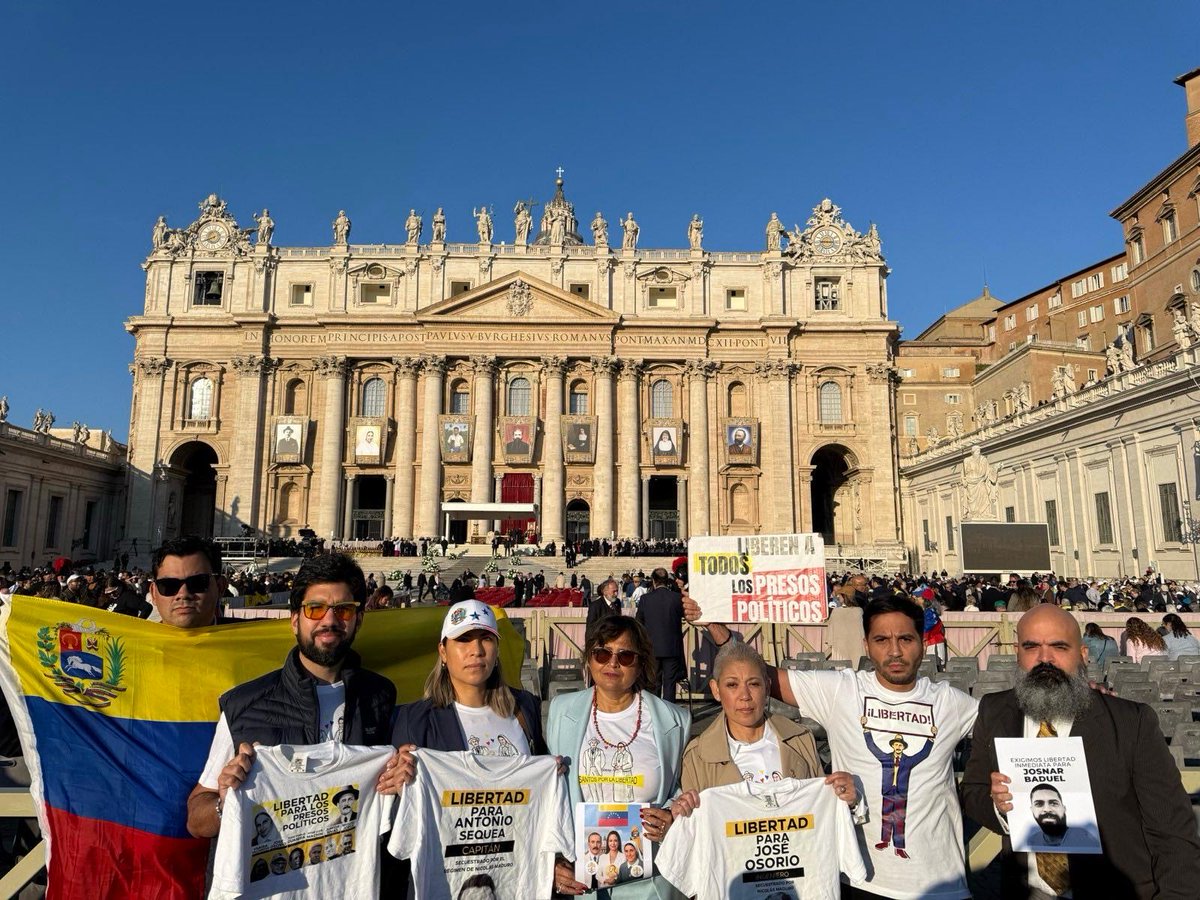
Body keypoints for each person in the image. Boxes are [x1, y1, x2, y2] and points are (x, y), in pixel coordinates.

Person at [685, 594, 977, 900]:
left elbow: (1008, 729)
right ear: (866, 645)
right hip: (860, 881)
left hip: (941, 884)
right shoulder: (842, 690)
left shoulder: (951, 703)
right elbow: (759, 675)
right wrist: (719, 632)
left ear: (924, 642)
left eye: (905, 639)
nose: (894, 650)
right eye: (881, 639)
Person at [961, 603, 1200, 898]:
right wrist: (999, 808)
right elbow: (973, 791)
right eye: (1031, 646)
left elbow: (1172, 830)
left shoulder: (1131, 722)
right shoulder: (994, 711)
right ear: (1017, 651)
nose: (1044, 659)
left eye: (1059, 647)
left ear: (1083, 654)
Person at [186, 553, 396, 838]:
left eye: (343, 610)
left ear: (358, 620)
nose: (329, 620)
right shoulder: (243, 706)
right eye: (315, 608)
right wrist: (225, 802)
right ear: (295, 620)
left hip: (350, 876)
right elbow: (196, 822)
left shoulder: (381, 697)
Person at [547, 616, 691, 898]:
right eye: (602, 653)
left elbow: (683, 789)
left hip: (651, 881)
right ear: (589, 659)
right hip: (583, 881)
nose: (612, 663)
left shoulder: (674, 720)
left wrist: (671, 814)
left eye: (625, 656)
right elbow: (551, 796)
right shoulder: (561, 712)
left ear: (641, 664)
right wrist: (553, 858)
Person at [670, 641, 860, 810]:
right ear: (716, 690)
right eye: (732, 685)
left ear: (767, 687)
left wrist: (845, 799)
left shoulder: (800, 739)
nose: (745, 696)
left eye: (753, 684)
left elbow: (821, 810)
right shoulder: (697, 756)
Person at [149, 536, 229, 628]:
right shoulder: (131, 642)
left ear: (220, 587)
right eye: (169, 585)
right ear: (153, 593)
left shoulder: (247, 640)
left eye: (197, 583)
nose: (183, 594)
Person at [635, 568, 685, 702]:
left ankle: (654, 714)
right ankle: (668, 715)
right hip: (672, 648)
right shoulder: (676, 598)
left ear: (653, 581)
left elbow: (638, 623)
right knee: (670, 685)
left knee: (653, 685)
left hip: (652, 648)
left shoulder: (645, 599)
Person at [1023, 783, 1097, 849]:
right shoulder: (1032, 841)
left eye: (1054, 803)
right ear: (1032, 810)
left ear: (1064, 808)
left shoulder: (1084, 838)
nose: (1047, 809)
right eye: (1039, 804)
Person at [585, 578, 622, 643]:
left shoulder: (617, 602)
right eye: (613, 591)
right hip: (601, 643)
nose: (616, 594)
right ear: (605, 592)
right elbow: (590, 628)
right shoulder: (595, 606)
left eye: (617, 591)